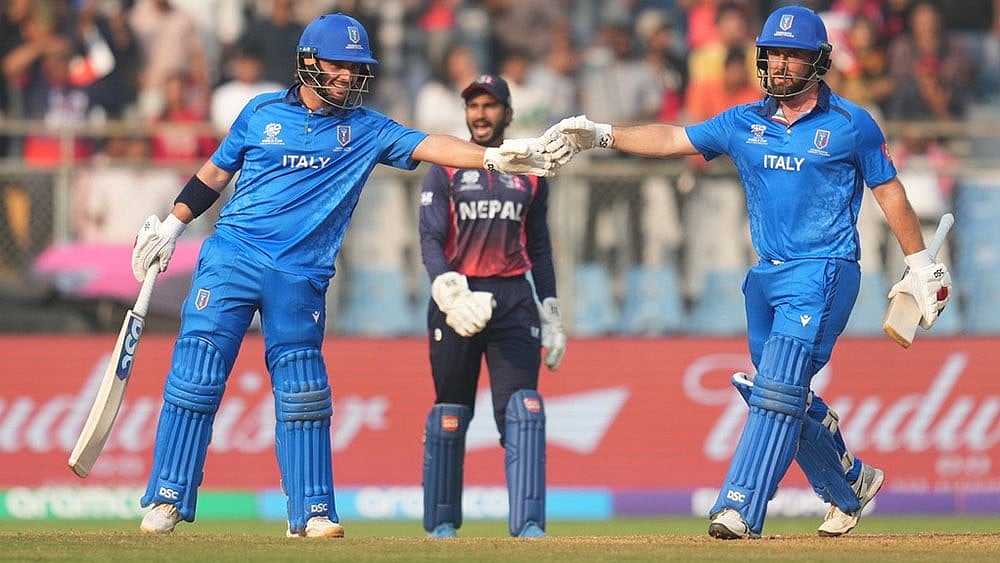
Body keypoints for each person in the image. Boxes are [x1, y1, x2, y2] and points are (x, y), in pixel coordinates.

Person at [130, 12, 566, 538]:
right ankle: (167, 498)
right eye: (339, 64)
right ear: (308, 62)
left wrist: (493, 158)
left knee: (304, 391)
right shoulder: (260, 112)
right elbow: (215, 174)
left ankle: (311, 512)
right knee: (196, 376)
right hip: (231, 259)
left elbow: (432, 145)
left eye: (357, 66)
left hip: (299, 275)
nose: (348, 75)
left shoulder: (364, 129)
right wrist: (171, 227)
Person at [546, 4, 952, 539]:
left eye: (794, 54)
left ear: (819, 60)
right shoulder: (744, 122)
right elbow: (673, 139)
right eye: (774, 53)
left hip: (825, 270)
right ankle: (849, 481)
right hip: (766, 278)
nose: (782, 64)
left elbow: (888, 190)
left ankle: (738, 506)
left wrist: (921, 264)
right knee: (780, 394)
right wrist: (599, 134)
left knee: (778, 388)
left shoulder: (851, 124)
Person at [418, 74, 567, 540]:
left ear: (508, 113)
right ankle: (442, 524)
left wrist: (551, 307)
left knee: (523, 410)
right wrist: (447, 287)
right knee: (450, 412)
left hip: (513, 301)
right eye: (473, 106)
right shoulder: (444, 165)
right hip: (457, 299)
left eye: (490, 106)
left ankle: (527, 526)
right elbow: (430, 237)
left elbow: (540, 246)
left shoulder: (530, 169)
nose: (480, 114)